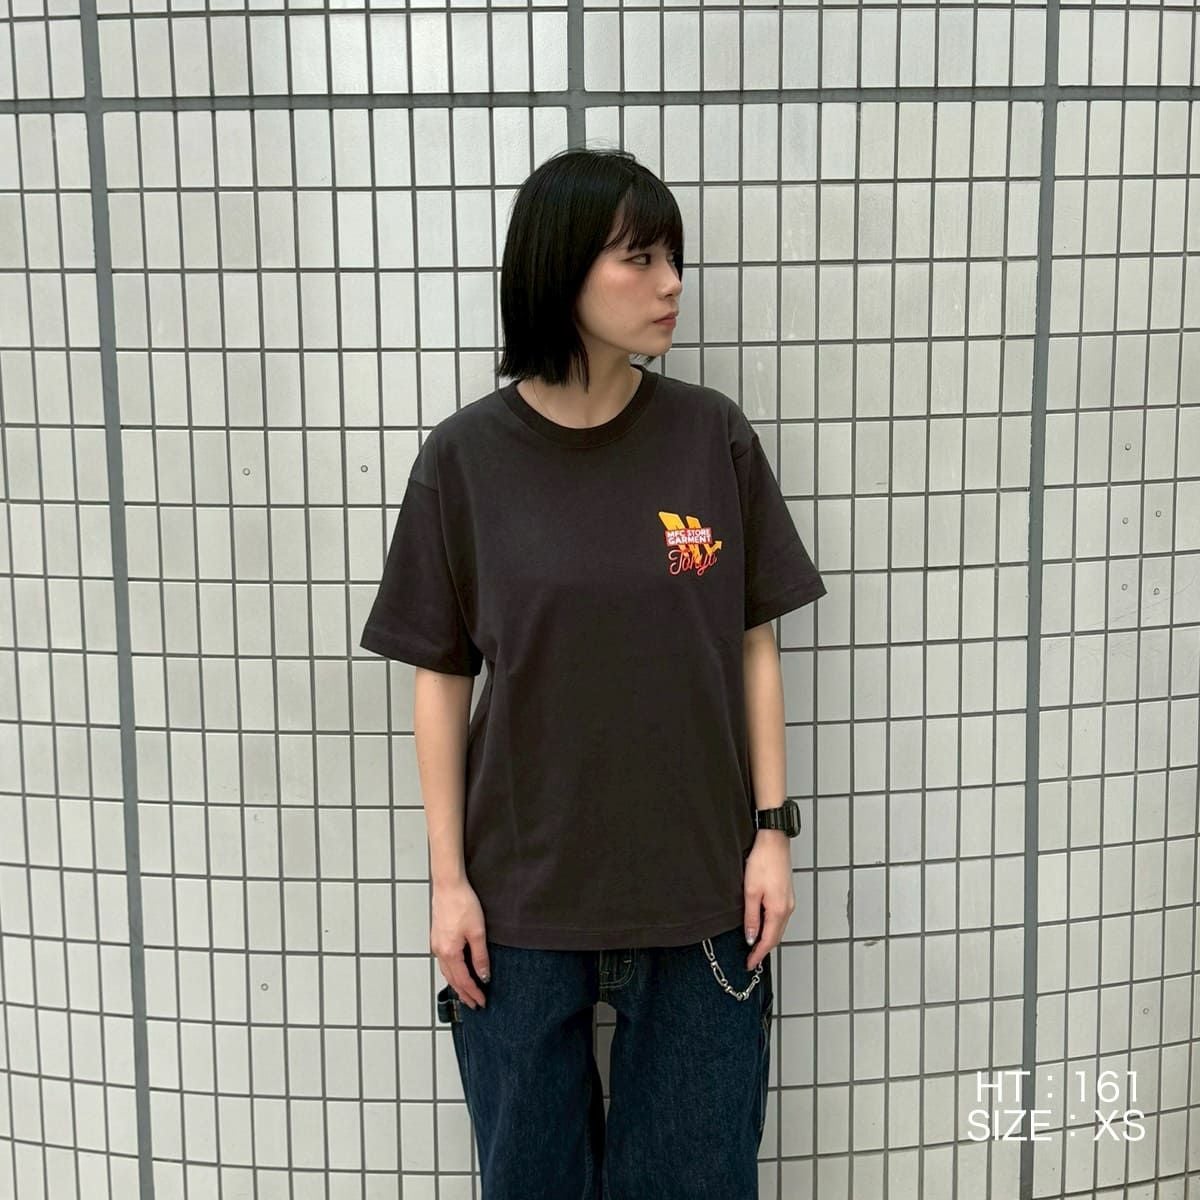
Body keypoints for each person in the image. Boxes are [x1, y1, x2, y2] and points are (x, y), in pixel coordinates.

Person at [359, 146, 827, 1199]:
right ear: (561, 269)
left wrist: (771, 834)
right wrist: (448, 884)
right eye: (640, 258)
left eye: (675, 259)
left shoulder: (710, 436)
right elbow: (440, 676)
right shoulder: (464, 460)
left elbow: (753, 638)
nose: (671, 284)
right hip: (519, 914)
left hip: (700, 899)